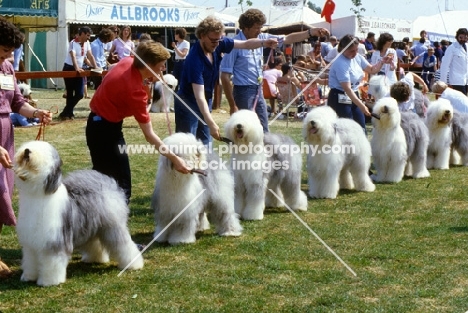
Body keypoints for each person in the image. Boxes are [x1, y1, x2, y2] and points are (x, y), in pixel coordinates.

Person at [86, 40, 190, 203]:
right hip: (104, 130)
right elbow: (149, 135)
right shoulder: (135, 92)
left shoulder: (128, 61)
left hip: (99, 124)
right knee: (120, 184)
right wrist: (175, 159)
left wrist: (145, 80)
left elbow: (117, 75)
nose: (163, 69)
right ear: (148, 64)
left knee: (104, 178)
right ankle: (111, 218)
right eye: (161, 65)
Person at [174, 16, 278, 146]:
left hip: (205, 100)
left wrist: (264, 43)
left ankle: (204, 165)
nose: (216, 44)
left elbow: (245, 44)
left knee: (205, 144)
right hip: (188, 102)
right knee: (187, 145)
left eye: (218, 40)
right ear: (202, 36)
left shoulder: (218, 43)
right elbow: (199, 96)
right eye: (213, 40)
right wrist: (211, 122)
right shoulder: (194, 60)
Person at [220, 8, 329, 132]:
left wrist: (310, 32)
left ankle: (265, 151)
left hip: (258, 90)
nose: (259, 31)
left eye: (261, 27)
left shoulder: (263, 37)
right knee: (247, 132)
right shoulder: (234, 45)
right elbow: (224, 76)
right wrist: (232, 105)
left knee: (264, 129)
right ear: (246, 27)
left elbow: (287, 38)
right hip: (243, 92)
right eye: (256, 27)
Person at [0, 17, 53, 231]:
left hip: (6, 136)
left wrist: (36, 113)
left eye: (11, 51)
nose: (8, 56)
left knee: (4, 192)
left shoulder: (7, 68)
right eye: (4, 50)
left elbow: (17, 103)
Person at [327, 34, 393, 130]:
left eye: (356, 50)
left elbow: (371, 69)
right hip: (339, 97)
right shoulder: (340, 63)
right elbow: (347, 89)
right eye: (352, 51)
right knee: (346, 129)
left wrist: (382, 61)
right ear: (343, 49)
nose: (355, 53)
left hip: (354, 94)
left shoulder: (357, 57)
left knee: (361, 127)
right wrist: (362, 106)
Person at [58, 26, 98, 120]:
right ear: (82, 34)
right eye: (88, 35)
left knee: (80, 94)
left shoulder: (87, 43)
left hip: (79, 69)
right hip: (69, 68)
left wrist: (95, 67)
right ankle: (69, 113)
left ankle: (66, 112)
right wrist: (77, 68)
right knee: (70, 92)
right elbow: (73, 56)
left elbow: (89, 56)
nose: (89, 38)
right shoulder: (73, 43)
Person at [438, 28, 468, 95]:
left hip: (466, 80)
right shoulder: (452, 48)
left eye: (465, 37)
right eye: (461, 37)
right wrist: (443, 82)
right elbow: (444, 66)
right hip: (456, 81)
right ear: (457, 37)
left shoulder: (467, 46)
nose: (463, 39)